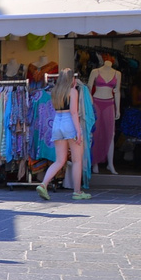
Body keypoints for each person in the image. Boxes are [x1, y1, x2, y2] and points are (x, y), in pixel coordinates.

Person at [37, 72, 90, 201]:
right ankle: (77, 192)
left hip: (57, 123)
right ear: (71, 79)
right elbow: (73, 112)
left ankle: (43, 184)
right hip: (69, 122)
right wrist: (78, 131)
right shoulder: (72, 91)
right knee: (77, 160)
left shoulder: (55, 91)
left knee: (60, 160)